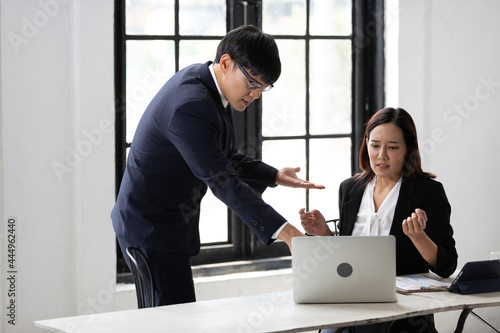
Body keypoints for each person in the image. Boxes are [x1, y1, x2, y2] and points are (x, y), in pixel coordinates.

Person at [112, 25, 324, 307]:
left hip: (162, 226)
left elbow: (223, 155)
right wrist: (287, 233)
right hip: (151, 231)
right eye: (252, 83)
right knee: (170, 323)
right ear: (226, 63)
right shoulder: (191, 106)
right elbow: (223, 181)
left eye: (264, 87)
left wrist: (274, 175)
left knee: (174, 319)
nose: (256, 94)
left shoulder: (204, 81)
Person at [299, 107, 458, 333]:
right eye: (375, 145)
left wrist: (418, 237)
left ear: (408, 150)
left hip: (401, 314)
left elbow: (447, 266)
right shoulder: (350, 188)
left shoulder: (427, 192)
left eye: (392, 147)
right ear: (366, 145)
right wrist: (324, 233)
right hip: (350, 302)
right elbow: (346, 259)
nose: (381, 155)